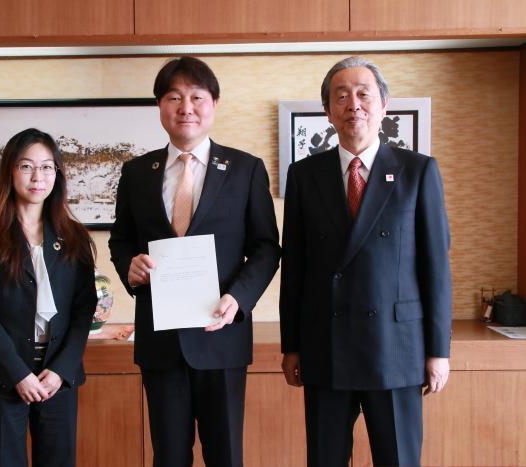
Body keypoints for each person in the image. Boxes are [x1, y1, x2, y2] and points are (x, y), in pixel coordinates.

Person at [279, 56, 452, 467]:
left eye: (363, 93)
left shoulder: (418, 171)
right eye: (341, 95)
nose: (352, 103)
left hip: (396, 349)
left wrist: (437, 351)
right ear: (327, 111)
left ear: (383, 105)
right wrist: (292, 346)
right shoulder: (305, 175)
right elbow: (296, 267)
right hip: (326, 347)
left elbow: (436, 268)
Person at [108, 56, 280, 467]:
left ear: (214, 104)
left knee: (225, 456)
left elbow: (266, 247)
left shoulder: (245, 169)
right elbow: (121, 239)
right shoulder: (136, 173)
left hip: (221, 337)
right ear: (160, 107)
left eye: (197, 97)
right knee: (168, 456)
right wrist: (129, 267)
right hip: (160, 343)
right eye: (174, 97)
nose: (186, 107)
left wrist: (238, 298)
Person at [0, 128, 97, 467]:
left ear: (58, 174)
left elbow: (84, 311)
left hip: (57, 376)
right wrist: (19, 374)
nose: (38, 177)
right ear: (10, 171)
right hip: (2, 373)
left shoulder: (74, 236)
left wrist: (61, 370)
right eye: (26, 166)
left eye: (47, 167)